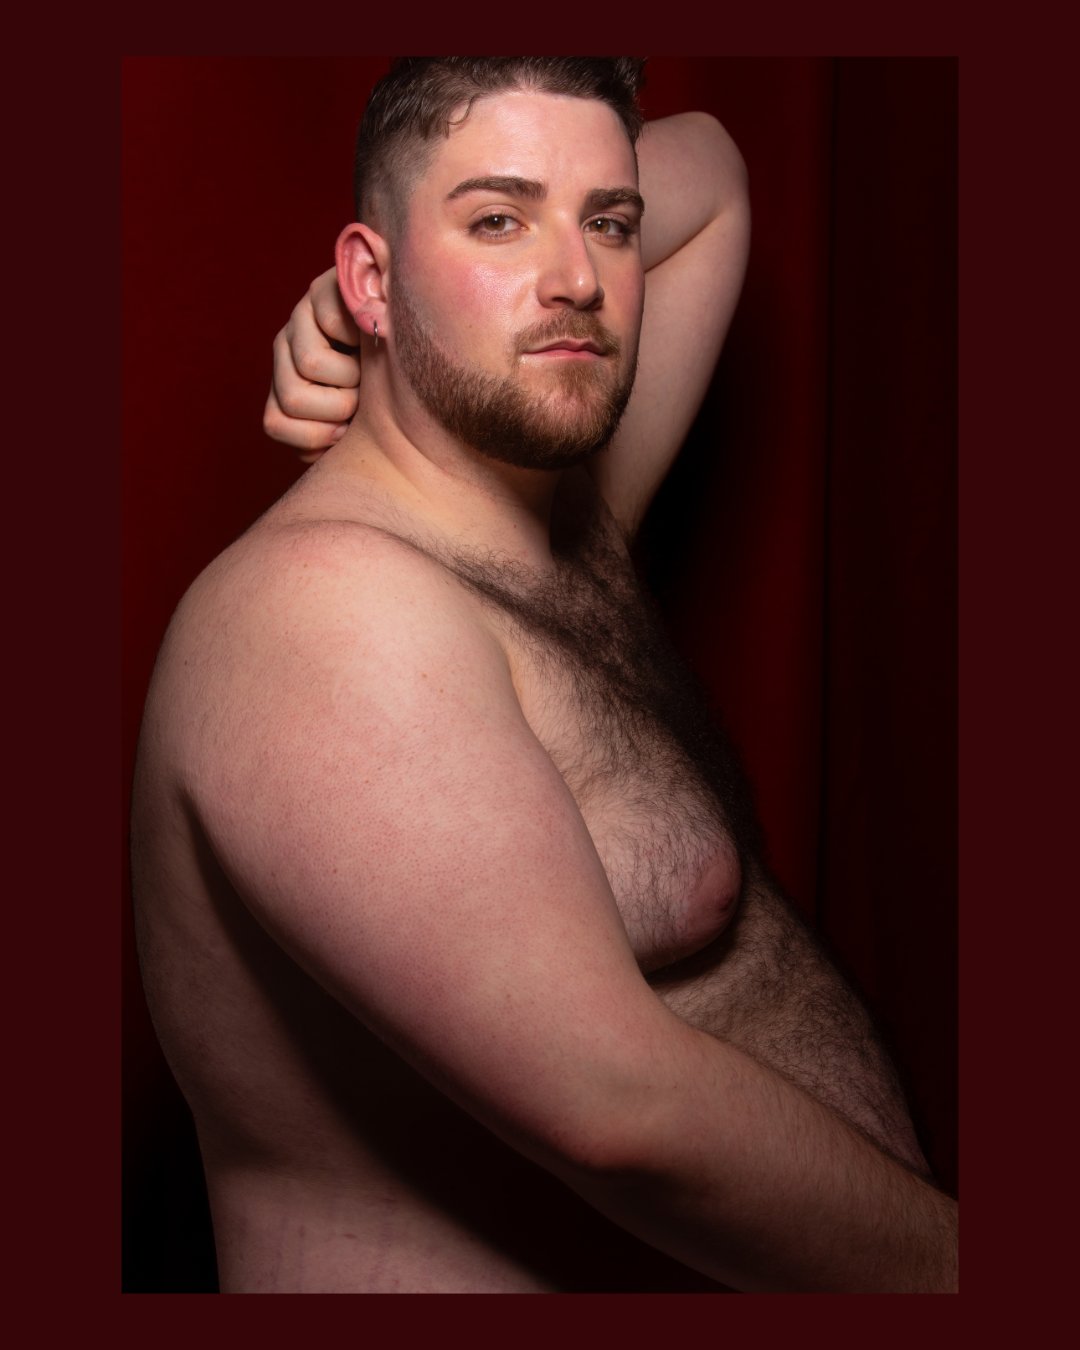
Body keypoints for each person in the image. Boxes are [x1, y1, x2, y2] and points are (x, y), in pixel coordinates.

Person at [131, 57, 958, 1294]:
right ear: (370, 276)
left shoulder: (567, 530)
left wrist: (430, 268)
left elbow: (714, 176)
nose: (577, 277)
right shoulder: (325, 611)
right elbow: (617, 1111)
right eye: (498, 221)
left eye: (606, 224)